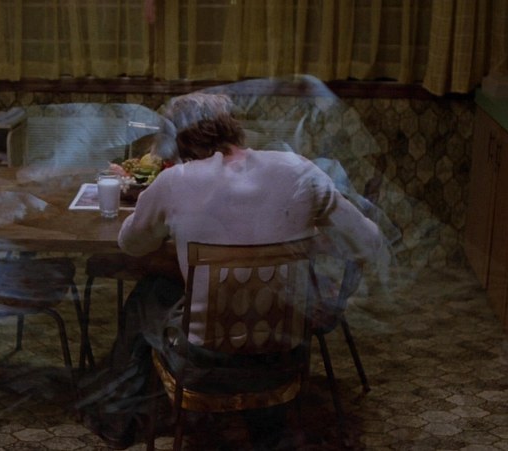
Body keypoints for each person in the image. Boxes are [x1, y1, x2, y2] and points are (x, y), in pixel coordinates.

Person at [76, 92, 385, 449]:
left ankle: (117, 420)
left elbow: (131, 245)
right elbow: (368, 241)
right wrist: (310, 239)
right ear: (233, 128)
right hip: (284, 354)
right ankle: (266, 422)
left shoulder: (174, 182)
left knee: (149, 293)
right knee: (229, 299)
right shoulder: (298, 169)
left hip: (204, 362)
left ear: (177, 140)